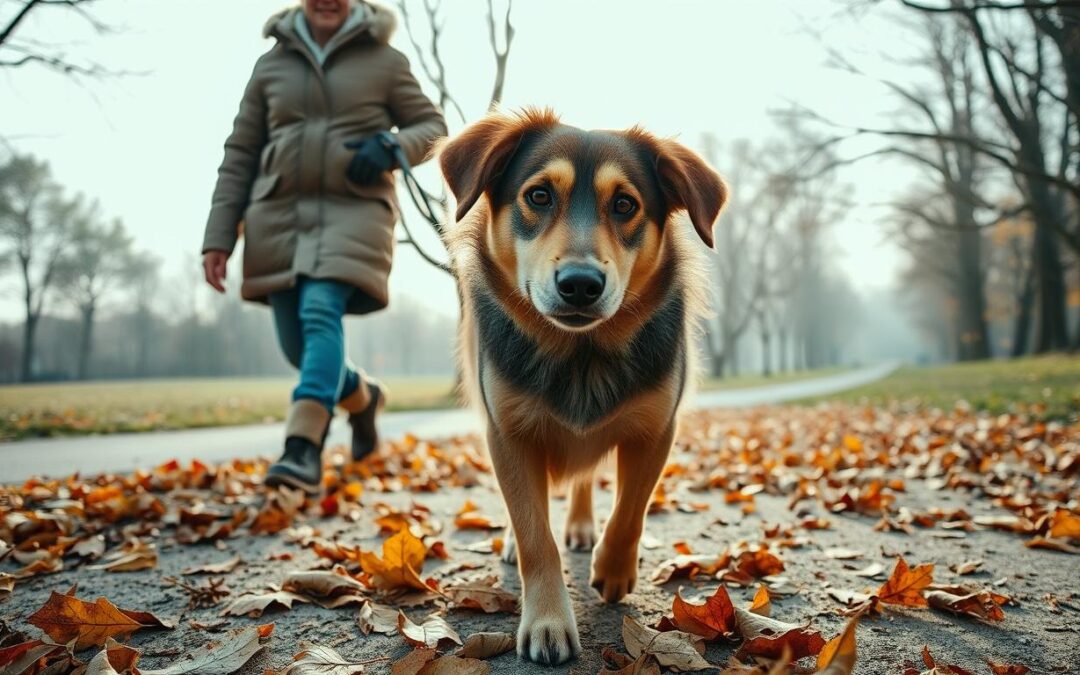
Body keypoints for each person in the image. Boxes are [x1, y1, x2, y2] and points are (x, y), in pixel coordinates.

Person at [201, 0, 447, 494]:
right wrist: (219, 236)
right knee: (300, 346)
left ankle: (302, 447)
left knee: (320, 312)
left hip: (353, 213)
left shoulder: (385, 60)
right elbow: (241, 154)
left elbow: (433, 128)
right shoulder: (271, 65)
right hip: (278, 220)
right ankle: (362, 397)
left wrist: (391, 146)